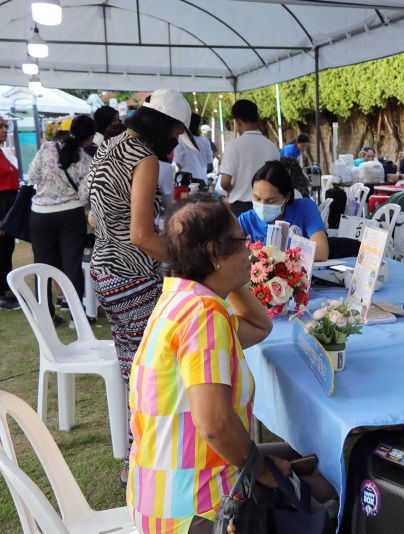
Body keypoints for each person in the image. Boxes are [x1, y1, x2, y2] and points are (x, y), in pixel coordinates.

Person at [127, 199, 291, 533]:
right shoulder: (203, 314)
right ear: (215, 251)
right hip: (194, 510)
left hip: (159, 492)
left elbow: (259, 328)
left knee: (297, 456)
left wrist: (230, 278)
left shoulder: (178, 298)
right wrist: (262, 471)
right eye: (242, 241)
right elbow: (215, 424)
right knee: (321, 492)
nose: (251, 250)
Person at [87, 88, 199, 485]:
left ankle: (138, 454)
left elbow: (95, 219)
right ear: (167, 128)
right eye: (175, 135)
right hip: (132, 276)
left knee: (131, 366)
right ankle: (142, 463)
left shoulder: (109, 146)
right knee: (151, 372)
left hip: (104, 273)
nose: (174, 144)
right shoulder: (145, 157)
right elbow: (140, 234)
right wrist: (188, 257)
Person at [27, 115, 95, 323]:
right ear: (91, 138)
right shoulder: (87, 161)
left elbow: (32, 177)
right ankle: (77, 317)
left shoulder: (47, 148)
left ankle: (45, 316)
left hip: (40, 214)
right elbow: (84, 196)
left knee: (42, 266)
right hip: (71, 215)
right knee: (72, 265)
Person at [238, 161, 329, 261]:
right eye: (257, 198)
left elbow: (321, 251)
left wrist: (277, 259)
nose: (263, 205)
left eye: (271, 200)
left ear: (286, 197)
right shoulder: (245, 221)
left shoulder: (304, 208)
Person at [219, 99, 280, 216]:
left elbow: (225, 183)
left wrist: (235, 189)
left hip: (240, 208)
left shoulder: (233, 145)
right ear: (257, 120)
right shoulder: (272, 146)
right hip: (266, 209)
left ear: (238, 122)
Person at [0, 116, 20, 310]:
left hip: (9, 206)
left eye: (5, 126)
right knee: (2, 252)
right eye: (1, 127)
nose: (5, 130)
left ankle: (6, 290)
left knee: (6, 250)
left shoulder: (2, 152)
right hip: (2, 207)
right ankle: (4, 293)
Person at [173, 113, 214, 185]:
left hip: (187, 179)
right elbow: (210, 162)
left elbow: (177, 160)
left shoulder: (181, 140)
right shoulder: (205, 141)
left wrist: (181, 169)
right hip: (203, 179)